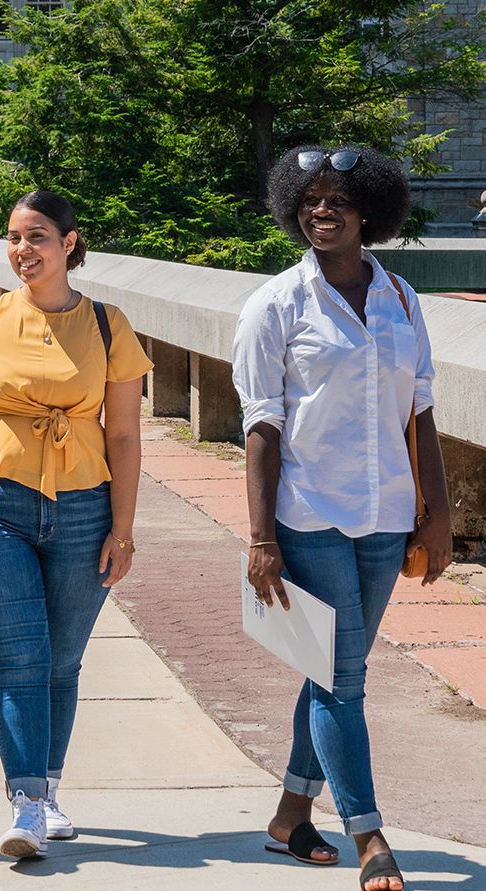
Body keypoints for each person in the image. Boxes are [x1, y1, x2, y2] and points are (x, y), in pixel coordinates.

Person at [232, 145, 452, 891]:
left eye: (336, 201)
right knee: (342, 678)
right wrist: (260, 538)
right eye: (309, 200)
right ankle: (370, 836)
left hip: (386, 512)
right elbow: (260, 426)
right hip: (309, 512)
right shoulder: (274, 305)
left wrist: (438, 514)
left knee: (328, 666)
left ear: (369, 212)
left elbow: (419, 411)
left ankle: (291, 812)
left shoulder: (400, 298)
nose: (320, 211)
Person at [0, 190, 153, 859]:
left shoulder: (109, 326)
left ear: (68, 244)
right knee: (20, 659)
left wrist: (123, 526)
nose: (22, 250)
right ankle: (24, 802)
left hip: (85, 506)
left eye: (37, 237)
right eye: (13, 237)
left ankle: (49, 788)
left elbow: (125, 437)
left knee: (62, 659)